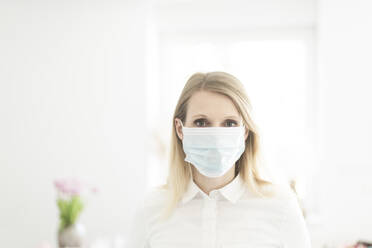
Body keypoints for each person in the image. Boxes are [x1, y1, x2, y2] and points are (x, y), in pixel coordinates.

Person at [127, 71, 312, 248]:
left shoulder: (280, 206)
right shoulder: (151, 208)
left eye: (229, 123)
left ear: (244, 131)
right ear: (180, 129)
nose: (216, 136)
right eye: (201, 122)